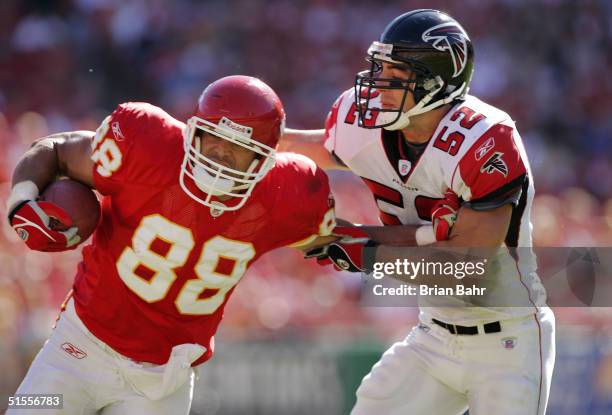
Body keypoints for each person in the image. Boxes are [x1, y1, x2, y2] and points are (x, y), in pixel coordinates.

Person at [5, 75, 338, 414]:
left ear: (264, 159)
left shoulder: (289, 193)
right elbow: (57, 150)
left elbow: (342, 245)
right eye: (214, 138)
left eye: (238, 147)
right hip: (76, 350)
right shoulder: (149, 143)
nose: (220, 154)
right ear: (194, 130)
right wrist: (20, 201)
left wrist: (389, 257)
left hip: (162, 384)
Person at [281, 9, 555, 415]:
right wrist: (255, 138)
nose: (378, 86)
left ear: (436, 80)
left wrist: (362, 248)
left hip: (507, 341)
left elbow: (465, 266)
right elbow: (317, 147)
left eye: (395, 76)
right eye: (379, 70)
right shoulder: (366, 127)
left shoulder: (486, 139)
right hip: (433, 337)